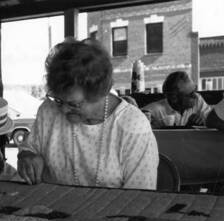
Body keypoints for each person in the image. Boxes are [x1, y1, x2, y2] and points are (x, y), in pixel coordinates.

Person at [17, 39, 159, 190]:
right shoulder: (49, 110)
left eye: (73, 104)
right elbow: (29, 148)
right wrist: (26, 156)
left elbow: (138, 197)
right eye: (59, 100)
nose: (63, 110)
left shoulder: (132, 126)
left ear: (100, 93)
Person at [142, 71, 211, 128]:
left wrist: (204, 121)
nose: (195, 96)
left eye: (195, 90)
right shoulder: (154, 111)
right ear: (174, 98)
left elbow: (211, 119)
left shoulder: (198, 100)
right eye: (190, 94)